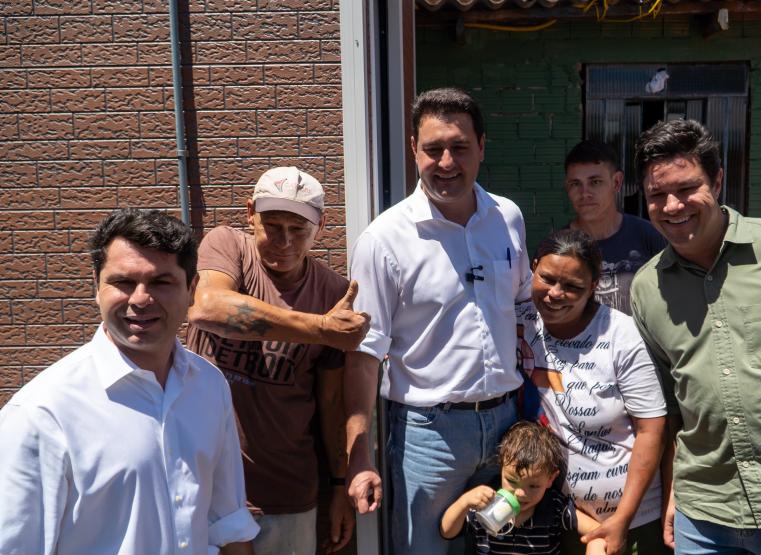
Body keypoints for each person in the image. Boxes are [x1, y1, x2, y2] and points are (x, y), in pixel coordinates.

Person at [628, 119, 761, 554]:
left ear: (718, 180)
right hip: (704, 513)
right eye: (656, 195)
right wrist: (673, 493)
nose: (672, 206)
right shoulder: (647, 289)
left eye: (687, 188)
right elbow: (670, 406)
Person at [0, 208, 258, 554]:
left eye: (161, 282)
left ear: (191, 289)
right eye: (123, 282)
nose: (140, 298)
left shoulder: (209, 386)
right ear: (96, 286)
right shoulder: (43, 412)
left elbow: (226, 521)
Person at [345, 87, 532, 554]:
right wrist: (359, 455)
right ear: (414, 149)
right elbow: (365, 353)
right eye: (433, 149)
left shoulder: (507, 218)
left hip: (507, 424)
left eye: (460, 147)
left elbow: (525, 310)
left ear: (482, 147)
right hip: (429, 436)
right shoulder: (384, 239)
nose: (446, 161)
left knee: (504, 550)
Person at [186, 166, 368, 554]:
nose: (283, 241)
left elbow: (332, 403)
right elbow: (207, 307)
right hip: (202, 483)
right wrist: (320, 328)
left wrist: (338, 486)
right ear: (250, 212)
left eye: (298, 229)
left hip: (284, 492)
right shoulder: (227, 246)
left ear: (322, 224)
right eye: (271, 225)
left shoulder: (332, 291)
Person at [515, 229, 669, 555]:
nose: (556, 293)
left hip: (631, 521)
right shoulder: (521, 322)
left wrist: (622, 520)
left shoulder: (621, 335)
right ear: (533, 267)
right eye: (547, 278)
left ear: (594, 286)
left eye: (573, 286)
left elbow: (651, 430)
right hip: (556, 517)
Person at [441, 421, 607, 555]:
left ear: (551, 479)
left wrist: (596, 545)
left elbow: (597, 531)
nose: (520, 493)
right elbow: (447, 531)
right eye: (511, 481)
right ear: (500, 467)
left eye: (533, 486)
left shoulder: (554, 506)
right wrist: (464, 502)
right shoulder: (487, 502)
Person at [563, 140, 666, 314]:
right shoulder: (558, 247)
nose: (584, 193)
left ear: (617, 182)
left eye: (595, 182)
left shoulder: (649, 236)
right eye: (575, 184)